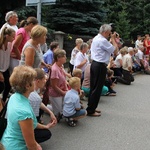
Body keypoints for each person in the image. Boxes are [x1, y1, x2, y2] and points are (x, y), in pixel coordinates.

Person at [1, 65, 55, 150]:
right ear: (27, 85)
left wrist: (45, 127)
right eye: (33, 80)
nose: (35, 81)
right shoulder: (24, 113)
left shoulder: (14, 97)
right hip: (16, 146)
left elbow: (31, 124)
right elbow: (31, 145)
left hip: (7, 140)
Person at [86, 24, 118, 116]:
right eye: (109, 33)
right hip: (100, 65)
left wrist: (111, 38)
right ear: (105, 32)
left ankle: (91, 107)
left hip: (94, 64)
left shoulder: (97, 38)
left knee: (93, 87)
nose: (109, 34)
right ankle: (91, 110)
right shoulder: (103, 40)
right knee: (97, 88)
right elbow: (114, 50)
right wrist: (113, 39)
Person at [49, 49, 68, 120]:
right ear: (58, 58)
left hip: (61, 91)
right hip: (56, 93)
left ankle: (53, 107)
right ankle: (47, 108)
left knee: (63, 109)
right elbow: (54, 86)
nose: (66, 57)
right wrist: (63, 93)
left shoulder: (61, 66)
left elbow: (63, 79)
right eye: (64, 56)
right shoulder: (55, 70)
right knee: (59, 113)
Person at [0, 27, 15, 103]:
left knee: (8, 86)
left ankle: (3, 101)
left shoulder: (9, 45)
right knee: (1, 86)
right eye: (12, 36)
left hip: (5, 68)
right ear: (7, 36)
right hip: (0, 69)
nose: (14, 38)